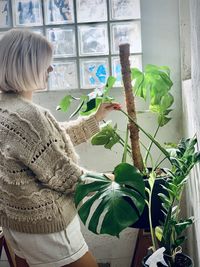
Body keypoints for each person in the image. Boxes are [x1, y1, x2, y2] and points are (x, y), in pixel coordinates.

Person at [0, 29, 120, 267]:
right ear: (26, 66)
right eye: (46, 64)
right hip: (47, 229)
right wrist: (112, 179)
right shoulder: (30, 115)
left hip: (16, 224)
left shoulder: (6, 107)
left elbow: (43, 147)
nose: (51, 70)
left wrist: (94, 120)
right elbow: (63, 175)